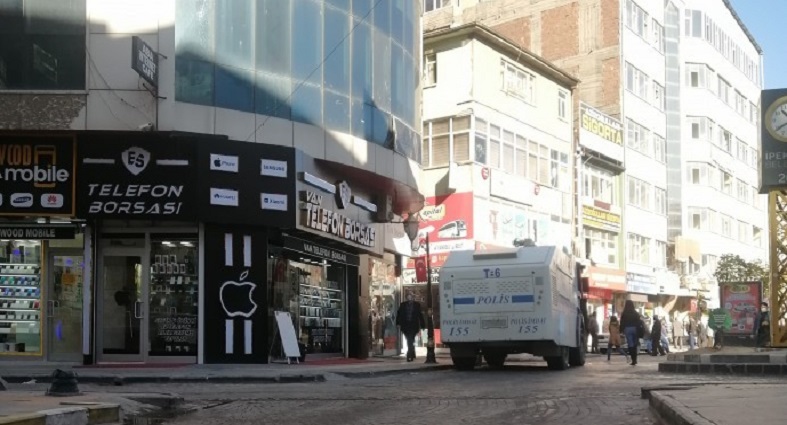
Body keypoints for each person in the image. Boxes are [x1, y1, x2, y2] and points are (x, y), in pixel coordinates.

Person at [396, 292, 426, 362]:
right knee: (409, 339)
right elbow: (399, 314)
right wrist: (398, 323)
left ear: (412, 297)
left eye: (410, 296)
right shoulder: (403, 305)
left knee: (410, 339)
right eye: (408, 296)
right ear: (406, 297)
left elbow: (420, 315)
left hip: (413, 325)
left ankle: (409, 354)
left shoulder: (416, 305)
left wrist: (422, 324)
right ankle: (412, 352)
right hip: (405, 325)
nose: (409, 298)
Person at [620, 300, 642, 366]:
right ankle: (635, 359)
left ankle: (633, 360)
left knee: (630, 345)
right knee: (635, 344)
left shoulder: (624, 313)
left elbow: (622, 322)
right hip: (635, 329)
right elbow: (639, 322)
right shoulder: (635, 313)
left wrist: (621, 330)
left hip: (627, 329)